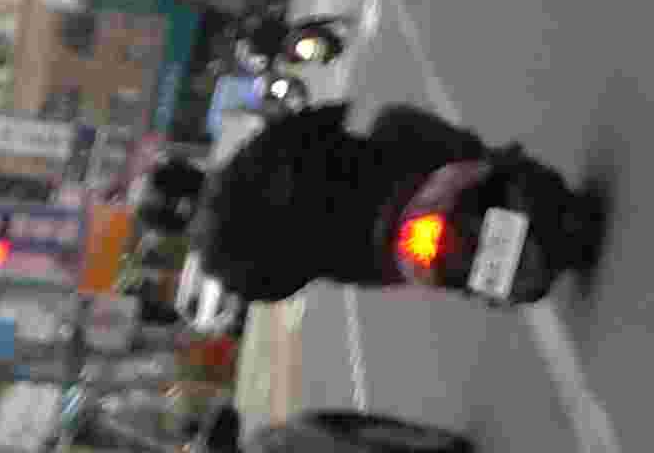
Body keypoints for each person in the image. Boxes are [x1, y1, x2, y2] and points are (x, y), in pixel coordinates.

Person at [193, 100, 498, 303]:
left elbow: (277, 288)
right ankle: (488, 160)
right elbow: (329, 116)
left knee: (423, 271)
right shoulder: (250, 160)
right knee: (393, 119)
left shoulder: (218, 259)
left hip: (373, 259)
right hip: (392, 188)